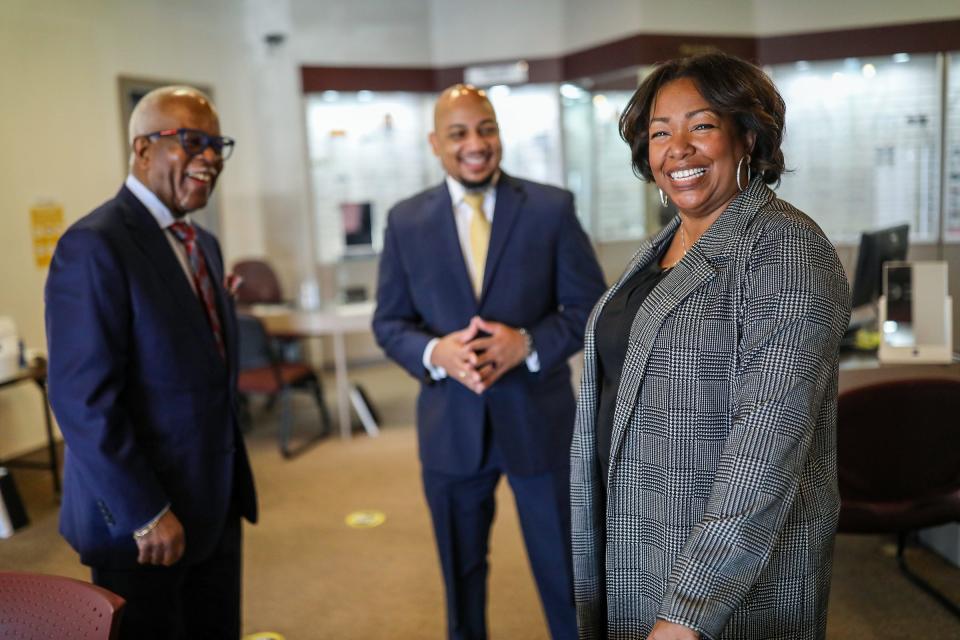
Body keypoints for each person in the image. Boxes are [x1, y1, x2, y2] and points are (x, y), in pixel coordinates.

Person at [570, 53, 851, 640]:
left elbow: (766, 450)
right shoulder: (663, 246)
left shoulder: (786, 251)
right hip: (637, 542)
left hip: (725, 583)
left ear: (747, 135)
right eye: (659, 133)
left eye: (700, 126)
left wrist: (689, 611)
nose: (678, 148)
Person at [373, 84, 606, 640]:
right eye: (459, 133)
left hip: (540, 424)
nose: (476, 144)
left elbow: (589, 307)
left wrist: (525, 343)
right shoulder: (406, 221)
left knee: (567, 579)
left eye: (487, 129)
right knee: (462, 581)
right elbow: (389, 323)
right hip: (451, 431)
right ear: (436, 143)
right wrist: (437, 353)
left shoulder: (551, 208)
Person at [45, 86, 257, 639]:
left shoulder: (202, 244)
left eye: (217, 145)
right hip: (142, 526)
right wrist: (144, 511)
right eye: (192, 142)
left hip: (213, 502)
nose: (210, 157)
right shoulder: (94, 245)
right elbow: (82, 401)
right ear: (142, 150)